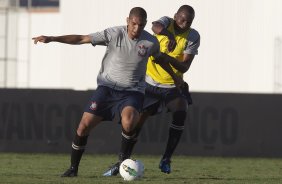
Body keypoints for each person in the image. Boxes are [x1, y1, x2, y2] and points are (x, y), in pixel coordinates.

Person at [32, 7, 182, 177]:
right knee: (83, 127)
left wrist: (175, 78)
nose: (136, 28)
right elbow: (82, 38)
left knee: (129, 121)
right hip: (107, 89)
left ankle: (122, 162)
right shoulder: (113, 34)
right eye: (134, 24)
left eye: (141, 25)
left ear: (145, 24)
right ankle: (73, 168)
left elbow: (160, 59)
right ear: (128, 20)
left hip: (132, 92)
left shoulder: (150, 42)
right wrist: (52, 38)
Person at [103, 5, 200, 176]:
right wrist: (168, 35)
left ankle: (166, 158)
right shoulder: (166, 23)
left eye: (189, 21)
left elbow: (184, 67)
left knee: (181, 110)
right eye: (182, 19)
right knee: (135, 124)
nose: (184, 24)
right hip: (148, 83)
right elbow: (155, 26)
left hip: (172, 85)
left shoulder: (193, 36)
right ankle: (121, 161)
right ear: (175, 16)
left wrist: (166, 58)